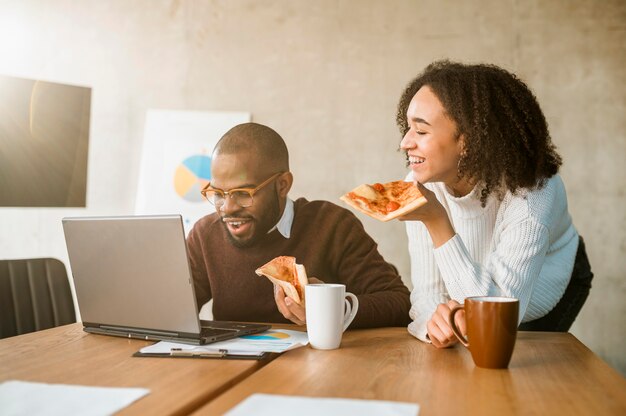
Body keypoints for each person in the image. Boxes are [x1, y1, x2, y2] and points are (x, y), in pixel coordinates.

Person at [395, 60, 593, 348]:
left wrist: (435, 220)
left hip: (543, 287)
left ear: (468, 140)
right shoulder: (419, 183)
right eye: (408, 127)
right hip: (476, 286)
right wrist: (433, 324)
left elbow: (497, 314)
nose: (405, 142)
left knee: (520, 377)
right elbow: (428, 294)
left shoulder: (532, 194)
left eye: (421, 131)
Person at [186, 122, 411, 328]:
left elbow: (399, 303)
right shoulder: (205, 235)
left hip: (317, 369)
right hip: (235, 369)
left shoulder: (332, 226)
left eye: (243, 193)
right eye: (218, 194)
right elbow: (172, 311)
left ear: (282, 185)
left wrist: (333, 308)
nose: (227, 208)